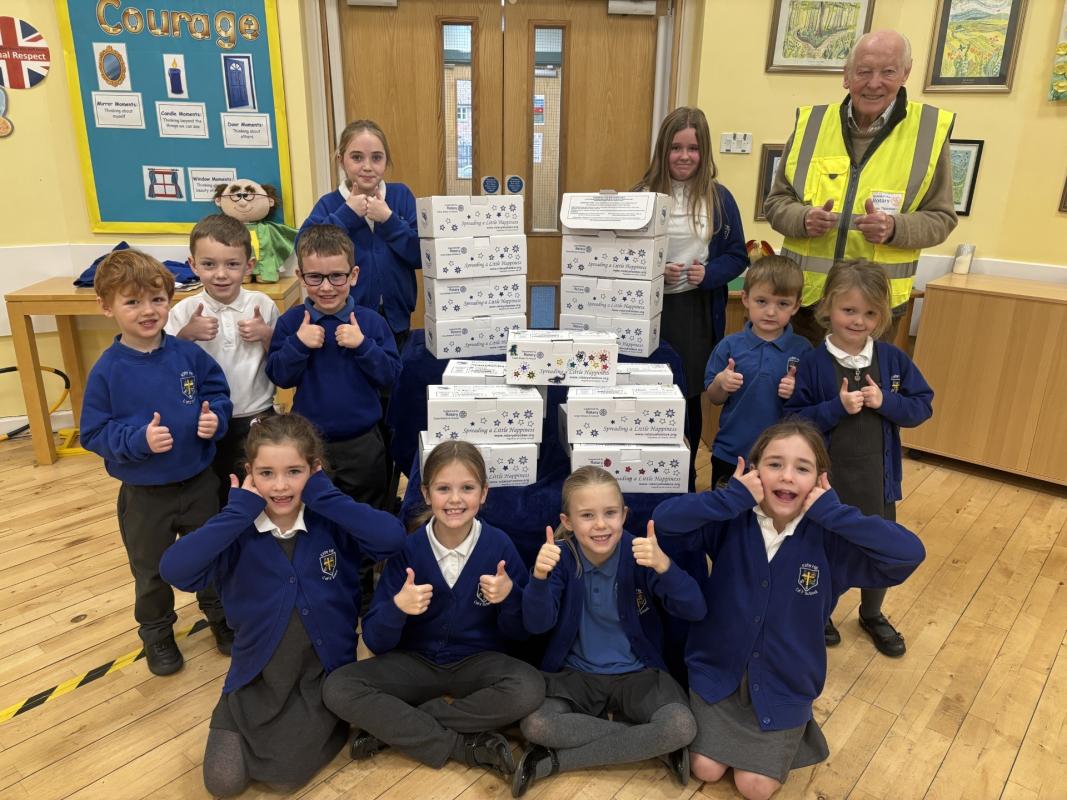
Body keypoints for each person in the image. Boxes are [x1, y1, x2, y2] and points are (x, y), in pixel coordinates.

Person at [652, 419, 926, 798]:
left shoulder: (830, 538)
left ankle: (793, 729)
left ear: (818, 481)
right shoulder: (732, 520)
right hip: (718, 674)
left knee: (756, 787)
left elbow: (909, 555)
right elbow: (664, 522)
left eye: (802, 468)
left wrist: (834, 513)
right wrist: (730, 497)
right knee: (706, 769)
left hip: (785, 680)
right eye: (775, 464)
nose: (787, 476)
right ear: (754, 470)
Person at [159, 414, 406, 797]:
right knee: (223, 783)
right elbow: (176, 569)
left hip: (320, 673)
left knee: (285, 779)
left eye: (294, 471)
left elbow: (391, 538)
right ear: (249, 473)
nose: (280, 485)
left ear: (314, 470)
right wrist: (237, 510)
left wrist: (323, 495)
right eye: (266, 473)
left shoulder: (330, 519)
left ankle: (327, 721)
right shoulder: (236, 528)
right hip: (256, 675)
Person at [321, 441, 545, 779]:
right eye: (444, 489)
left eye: (467, 488)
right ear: (426, 494)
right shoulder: (408, 550)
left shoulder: (499, 545)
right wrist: (398, 607)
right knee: (338, 687)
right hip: (415, 662)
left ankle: (398, 726)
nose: (455, 499)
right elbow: (377, 641)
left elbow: (519, 634)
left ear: (483, 493)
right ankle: (461, 745)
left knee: (529, 687)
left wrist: (511, 597)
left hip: (478, 662)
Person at [80, 249, 233, 674]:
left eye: (157, 300)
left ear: (170, 300)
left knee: (214, 557)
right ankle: (158, 635)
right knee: (151, 572)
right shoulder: (108, 371)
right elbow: (93, 432)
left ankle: (221, 620)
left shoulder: (188, 355)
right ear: (106, 307)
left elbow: (217, 394)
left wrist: (213, 418)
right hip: (145, 496)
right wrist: (137, 440)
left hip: (200, 482)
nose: (147, 311)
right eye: (132, 302)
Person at [511, 466, 704, 798]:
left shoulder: (641, 554)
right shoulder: (560, 557)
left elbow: (695, 609)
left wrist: (665, 567)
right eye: (587, 515)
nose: (600, 524)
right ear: (568, 521)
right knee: (536, 724)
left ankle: (554, 762)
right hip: (576, 676)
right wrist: (539, 579)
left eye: (610, 513)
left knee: (681, 725)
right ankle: (648, 743)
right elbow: (536, 624)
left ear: (624, 514)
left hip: (639, 676)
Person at [763, 29, 957, 346]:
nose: (874, 82)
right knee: (798, 391)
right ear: (846, 75)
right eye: (864, 71)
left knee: (859, 393)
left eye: (888, 71)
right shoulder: (811, 124)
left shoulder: (928, 132)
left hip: (873, 311)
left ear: (905, 73)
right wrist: (802, 218)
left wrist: (895, 228)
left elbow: (941, 218)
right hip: (806, 305)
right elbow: (775, 203)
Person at [786, 261, 933, 655]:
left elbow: (922, 407)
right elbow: (793, 421)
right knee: (824, 550)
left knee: (879, 546)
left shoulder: (893, 360)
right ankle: (821, 610)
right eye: (849, 310)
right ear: (828, 308)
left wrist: (888, 402)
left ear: (882, 315)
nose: (859, 321)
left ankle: (872, 613)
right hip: (826, 487)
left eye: (870, 313)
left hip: (877, 483)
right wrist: (834, 407)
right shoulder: (815, 363)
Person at [634, 107, 749, 489]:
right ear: (662, 150)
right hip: (649, 311)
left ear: (705, 152)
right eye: (676, 147)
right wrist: (653, 269)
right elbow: (620, 257)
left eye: (694, 148)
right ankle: (643, 470)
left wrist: (709, 274)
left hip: (696, 311)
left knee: (689, 394)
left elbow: (737, 255)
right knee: (647, 388)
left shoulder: (719, 199)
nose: (684, 156)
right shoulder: (640, 196)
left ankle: (684, 476)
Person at [266, 224, 401, 511]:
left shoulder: (371, 323)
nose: (326, 287)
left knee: (366, 513)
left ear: (353, 275)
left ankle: (368, 559)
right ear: (300, 277)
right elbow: (279, 375)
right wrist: (298, 345)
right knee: (314, 513)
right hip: (309, 444)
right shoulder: (292, 323)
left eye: (337, 276)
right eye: (315, 277)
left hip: (363, 443)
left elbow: (391, 376)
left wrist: (363, 345)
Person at [166, 214, 279, 511]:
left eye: (232, 264)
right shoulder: (184, 310)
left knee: (258, 488)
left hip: (257, 415)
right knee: (214, 491)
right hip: (204, 421)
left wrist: (266, 334)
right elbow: (165, 365)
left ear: (249, 266)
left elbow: (280, 360)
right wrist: (187, 335)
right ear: (193, 265)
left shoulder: (263, 305)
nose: (221, 274)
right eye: (209, 264)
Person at [299, 119, 420, 352]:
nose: (367, 166)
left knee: (392, 378)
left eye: (376, 157)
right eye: (357, 157)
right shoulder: (329, 204)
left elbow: (421, 256)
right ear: (341, 160)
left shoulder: (401, 196)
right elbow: (303, 248)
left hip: (396, 319)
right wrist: (346, 215)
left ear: (386, 160)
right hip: (345, 320)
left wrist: (389, 220)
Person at [704, 255, 811, 491]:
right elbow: (714, 397)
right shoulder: (729, 346)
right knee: (726, 516)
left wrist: (796, 391)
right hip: (731, 453)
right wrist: (721, 382)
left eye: (782, 304)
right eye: (761, 301)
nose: (770, 312)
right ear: (745, 299)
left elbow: (810, 403)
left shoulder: (803, 350)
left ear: (796, 305)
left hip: (782, 459)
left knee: (771, 519)